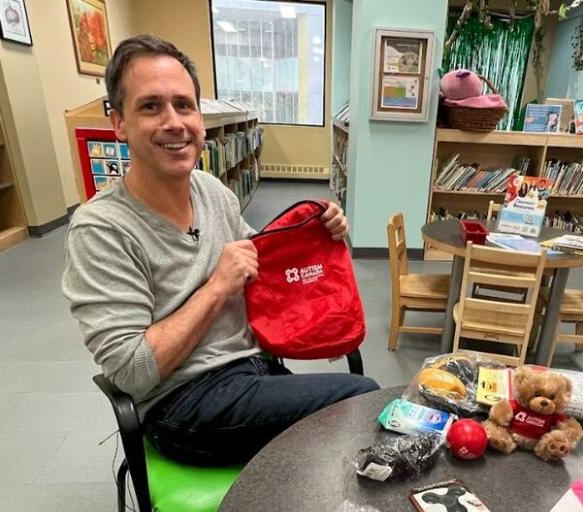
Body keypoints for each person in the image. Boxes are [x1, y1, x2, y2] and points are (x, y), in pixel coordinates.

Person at [62, 34, 379, 466]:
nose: (174, 122)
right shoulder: (101, 229)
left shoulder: (211, 190)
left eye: (184, 105)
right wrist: (215, 288)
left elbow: (264, 262)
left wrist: (316, 234)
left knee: (345, 430)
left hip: (255, 369)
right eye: (151, 106)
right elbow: (131, 373)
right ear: (119, 122)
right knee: (362, 401)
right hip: (185, 402)